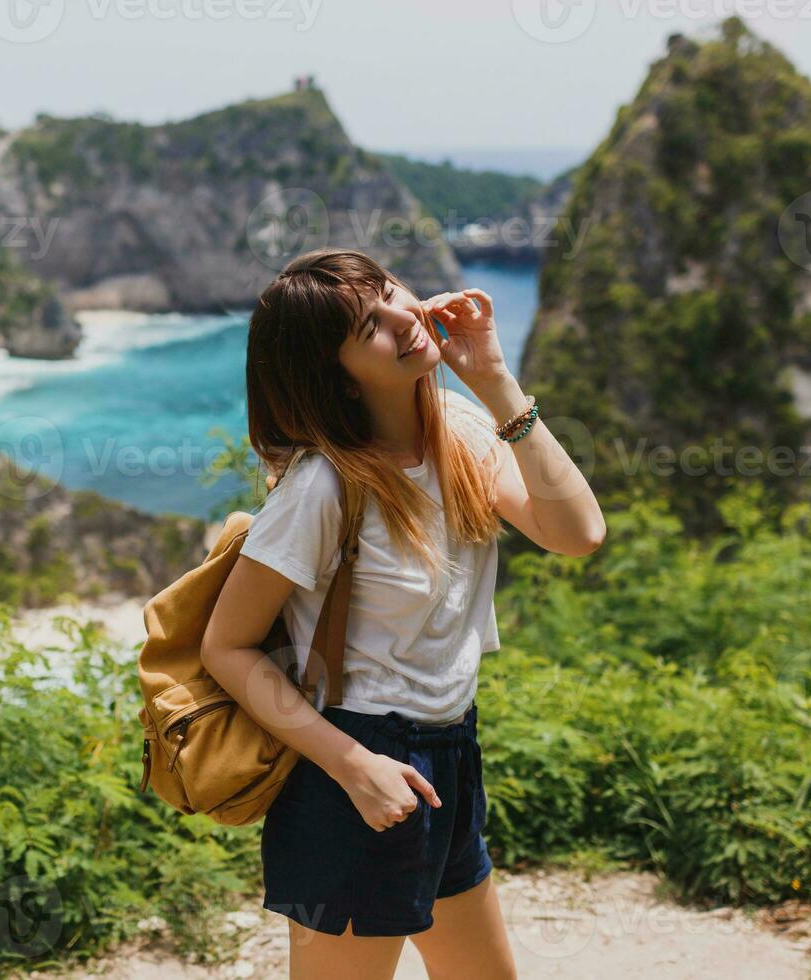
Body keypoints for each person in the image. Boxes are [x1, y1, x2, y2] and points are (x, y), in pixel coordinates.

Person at [202, 247, 606, 979]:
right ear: (340, 378)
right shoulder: (323, 487)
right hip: (355, 764)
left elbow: (577, 534)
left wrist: (494, 381)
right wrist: (354, 768)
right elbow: (225, 649)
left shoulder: (459, 430)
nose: (401, 318)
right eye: (367, 327)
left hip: (450, 752)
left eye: (390, 292)